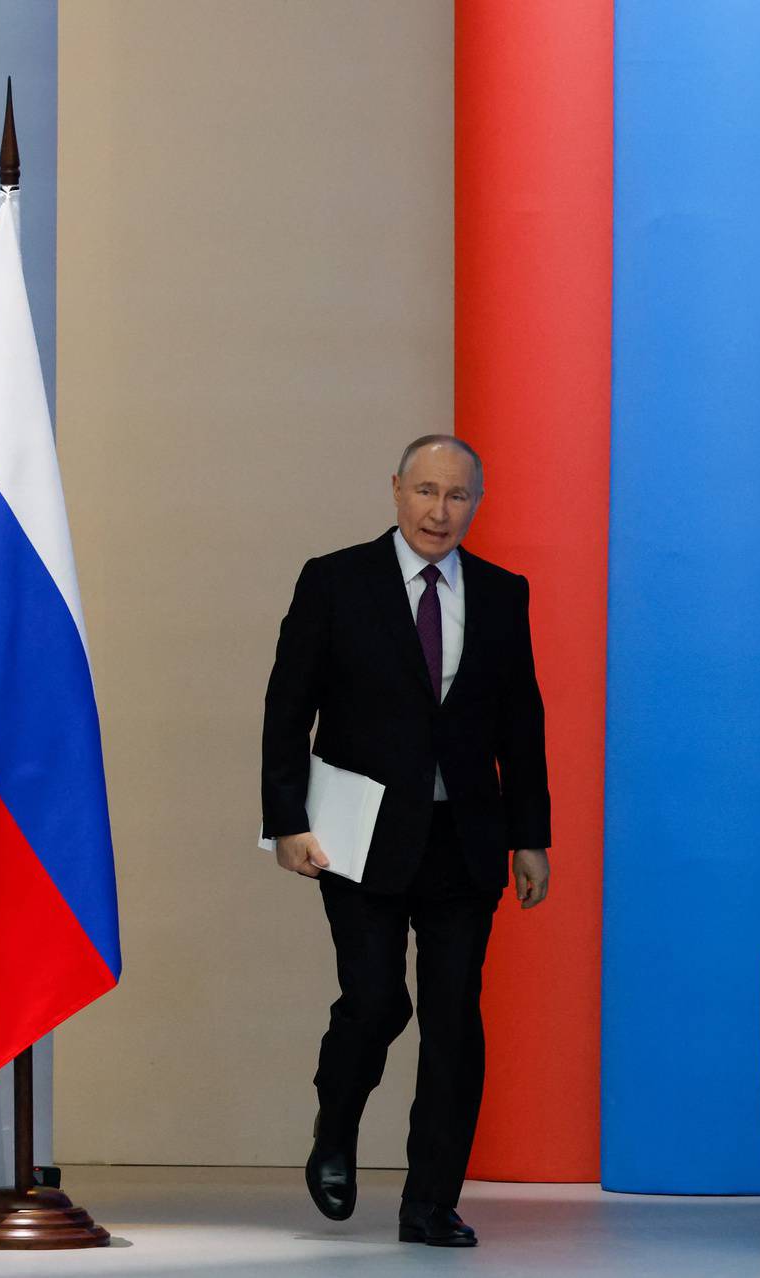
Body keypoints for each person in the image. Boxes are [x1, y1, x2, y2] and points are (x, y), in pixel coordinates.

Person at [260, 434, 551, 1248]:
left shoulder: (501, 593)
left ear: (475, 504)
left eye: (457, 496)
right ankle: (336, 1128)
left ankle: (429, 1202)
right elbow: (290, 707)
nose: (439, 511)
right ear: (395, 491)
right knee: (378, 1000)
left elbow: (519, 721)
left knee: (455, 1020)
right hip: (359, 835)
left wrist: (531, 836)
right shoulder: (335, 581)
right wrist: (286, 820)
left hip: (466, 838)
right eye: (425, 491)